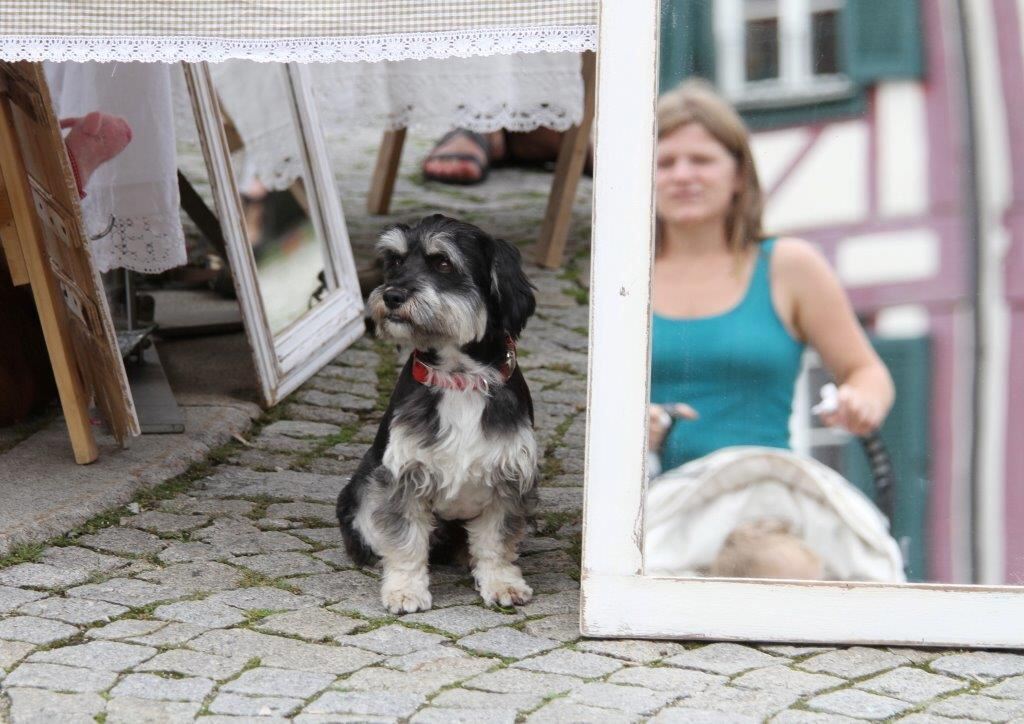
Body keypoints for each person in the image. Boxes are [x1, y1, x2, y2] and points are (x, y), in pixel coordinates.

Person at [648, 79, 894, 476]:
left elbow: (866, 371)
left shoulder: (790, 266)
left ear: (740, 175)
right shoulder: (619, 277)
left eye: (701, 160)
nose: (682, 175)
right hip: (641, 501)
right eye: (665, 162)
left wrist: (861, 401)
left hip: (761, 495)